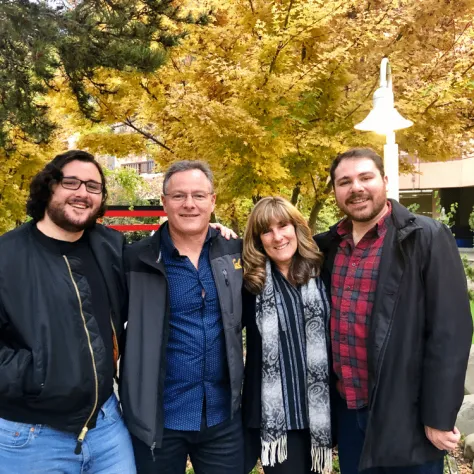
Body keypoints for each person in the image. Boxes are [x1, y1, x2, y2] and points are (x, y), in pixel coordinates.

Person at [315, 147, 473, 474]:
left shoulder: (425, 238)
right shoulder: (327, 247)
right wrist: (217, 234)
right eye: (344, 182)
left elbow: (451, 333)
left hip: (408, 418)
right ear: (335, 192)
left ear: (384, 181)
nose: (355, 187)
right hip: (348, 414)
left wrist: (439, 417)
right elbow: (272, 245)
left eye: (365, 177)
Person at [0, 150, 135, 473]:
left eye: (93, 186)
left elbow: (160, 265)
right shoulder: (7, 257)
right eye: (71, 182)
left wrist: (202, 233)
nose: (82, 193)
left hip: (107, 427)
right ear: (49, 187)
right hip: (32, 436)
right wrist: (39, 376)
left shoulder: (110, 248)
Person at [119, 160, 244, 474]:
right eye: (179, 196)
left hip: (221, 416)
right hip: (158, 420)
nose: (189, 204)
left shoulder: (234, 253)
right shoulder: (136, 259)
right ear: (164, 202)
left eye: (199, 196)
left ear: (212, 201)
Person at [242, 196, 333, 474]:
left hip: (323, 410)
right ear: (258, 240)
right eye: (266, 231)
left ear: (297, 228)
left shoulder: (323, 271)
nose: (277, 237)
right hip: (277, 418)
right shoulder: (248, 284)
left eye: (283, 226)